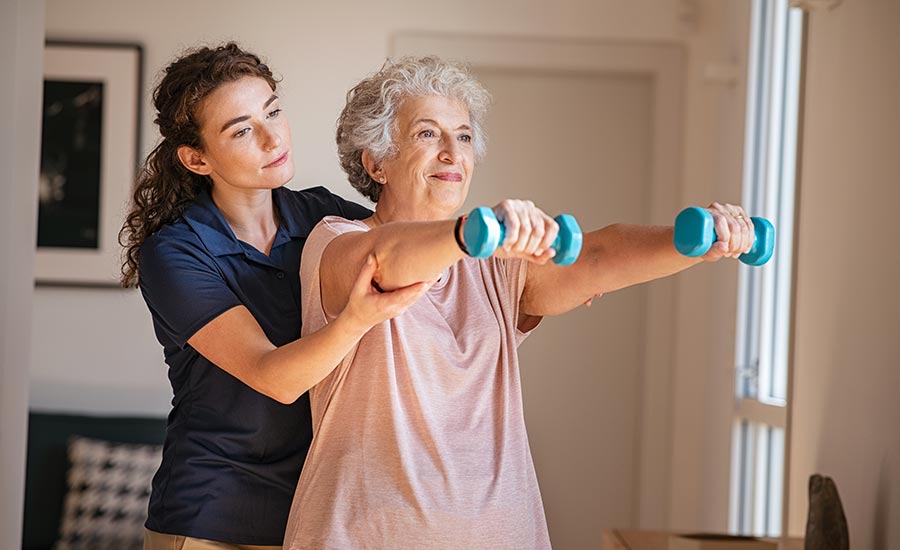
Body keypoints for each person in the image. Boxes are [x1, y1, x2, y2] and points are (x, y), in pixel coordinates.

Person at [281, 56, 757, 549]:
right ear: (375, 161)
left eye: (463, 137)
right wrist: (476, 233)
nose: (452, 153)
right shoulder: (336, 240)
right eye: (428, 134)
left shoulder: (496, 265)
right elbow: (384, 262)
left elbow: (595, 254)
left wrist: (695, 242)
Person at [119, 43, 427, 550]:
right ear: (197, 158)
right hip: (210, 516)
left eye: (273, 111)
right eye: (241, 130)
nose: (272, 137)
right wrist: (356, 319)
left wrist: (517, 289)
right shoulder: (174, 253)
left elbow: (405, 246)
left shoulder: (323, 218)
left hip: (313, 511)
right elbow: (273, 377)